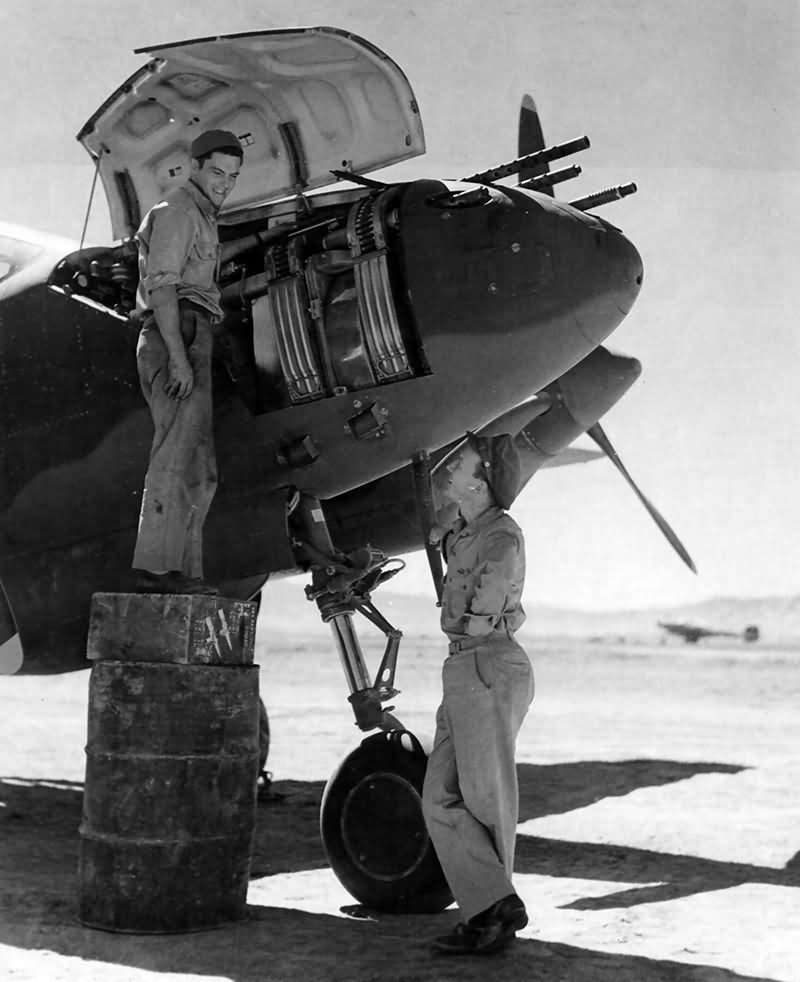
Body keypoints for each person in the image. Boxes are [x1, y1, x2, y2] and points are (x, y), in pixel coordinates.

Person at [422, 431, 534, 955]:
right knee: (439, 798)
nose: (449, 467)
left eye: (460, 462)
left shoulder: (500, 538)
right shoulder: (465, 533)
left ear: (483, 479)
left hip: (487, 662)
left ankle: (489, 918)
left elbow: (479, 616)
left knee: (486, 798)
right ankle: (496, 900)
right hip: (464, 667)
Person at [131, 129, 243, 594]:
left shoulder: (202, 215)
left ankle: (184, 575)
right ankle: (155, 572)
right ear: (194, 166)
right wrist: (178, 357)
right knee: (175, 458)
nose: (224, 183)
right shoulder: (177, 211)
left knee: (199, 467)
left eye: (233, 176)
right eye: (217, 172)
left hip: (194, 336)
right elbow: (162, 288)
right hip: (175, 334)